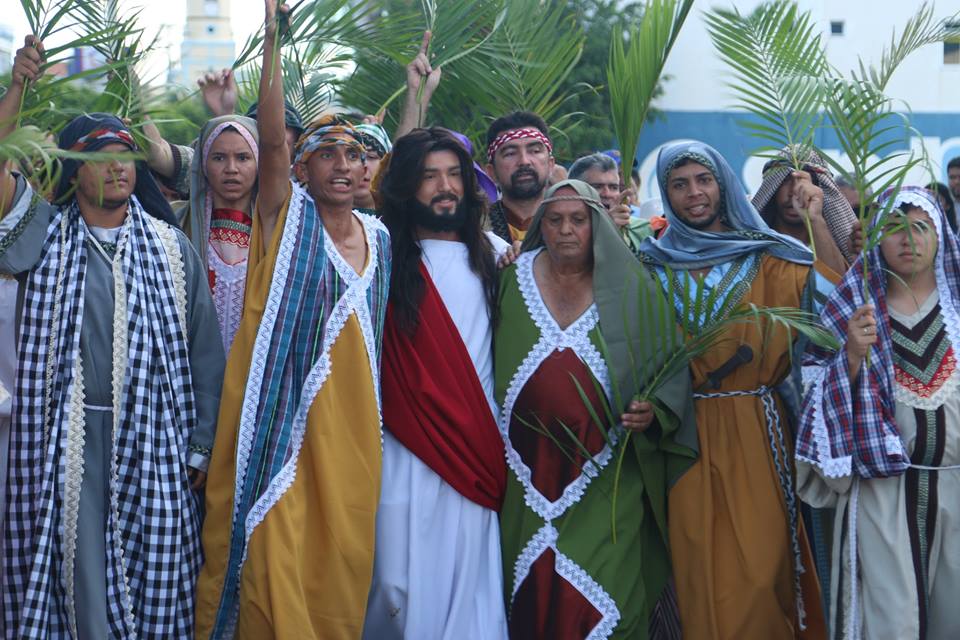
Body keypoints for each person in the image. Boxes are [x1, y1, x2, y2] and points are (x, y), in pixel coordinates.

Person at [0, 37, 224, 638]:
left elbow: (205, 352)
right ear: (75, 171)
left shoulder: (170, 248)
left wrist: (202, 443)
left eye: (126, 156)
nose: (119, 166)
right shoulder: (42, 238)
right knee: (76, 573)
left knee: (156, 569)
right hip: (66, 439)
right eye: (101, 157)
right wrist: (17, 87)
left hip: (157, 439)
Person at [194, 2, 390, 637]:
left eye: (353, 154)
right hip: (280, 433)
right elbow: (272, 140)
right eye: (326, 154)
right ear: (302, 168)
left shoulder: (383, 240)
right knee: (269, 558)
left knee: (341, 562)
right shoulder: (287, 218)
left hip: (353, 435)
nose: (343, 165)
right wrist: (273, 39)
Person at [636, 140, 838, 638]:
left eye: (703, 180)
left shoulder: (771, 257)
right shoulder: (649, 266)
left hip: (755, 431)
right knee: (695, 568)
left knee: (761, 569)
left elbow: (837, 309)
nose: (694, 193)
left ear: (723, 184)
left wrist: (817, 223)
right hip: (681, 437)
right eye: (679, 184)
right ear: (665, 193)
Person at [495, 179, 697, 638]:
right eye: (554, 220)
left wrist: (652, 411)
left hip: (608, 483)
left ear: (597, 226)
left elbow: (668, 371)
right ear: (541, 225)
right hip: (523, 484)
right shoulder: (509, 281)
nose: (566, 230)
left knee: (610, 601)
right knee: (529, 596)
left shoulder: (633, 288)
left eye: (578, 220)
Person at [363, 127, 509, 639]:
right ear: (407, 186)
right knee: (395, 582)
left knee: (468, 579)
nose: (445, 187)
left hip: (476, 446)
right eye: (429, 176)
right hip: (403, 447)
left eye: (453, 175)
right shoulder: (378, 256)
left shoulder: (497, 256)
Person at [797, 186, 960, 640]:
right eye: (894, 228)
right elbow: (813, 397)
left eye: (921, 227)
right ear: (876, 238)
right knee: (891, 621)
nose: (909, 239)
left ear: (940, 236)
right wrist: (850, 354)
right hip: (884, 492)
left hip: (957, 485)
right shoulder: (855, 308)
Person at [181, 115, 259, 353]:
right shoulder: (178, 225)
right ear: (203, 163)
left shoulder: (278, 233)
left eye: (243, 157)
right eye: (219, 158)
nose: (231, 169)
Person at [752, 146, 858, 274]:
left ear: (820, 190)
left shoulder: (843, 249)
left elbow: (838, 282)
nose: (795, 192)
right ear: (773, 188)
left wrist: (815, 219)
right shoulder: (753, 247)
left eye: (806, 182)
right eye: (785, 181)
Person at [568, 152, 662, 251]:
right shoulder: (564, 229)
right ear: (575, 191)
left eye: (614, 187)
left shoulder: (644, 230)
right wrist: (607, 230)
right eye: (597, 187)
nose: (607, 194)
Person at [485, 111, 555, 243]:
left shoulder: (574, 224)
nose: (524, 161)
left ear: (551, 165)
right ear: (491, 172)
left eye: (534, 151)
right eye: (510, 153)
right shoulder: (474, 229)